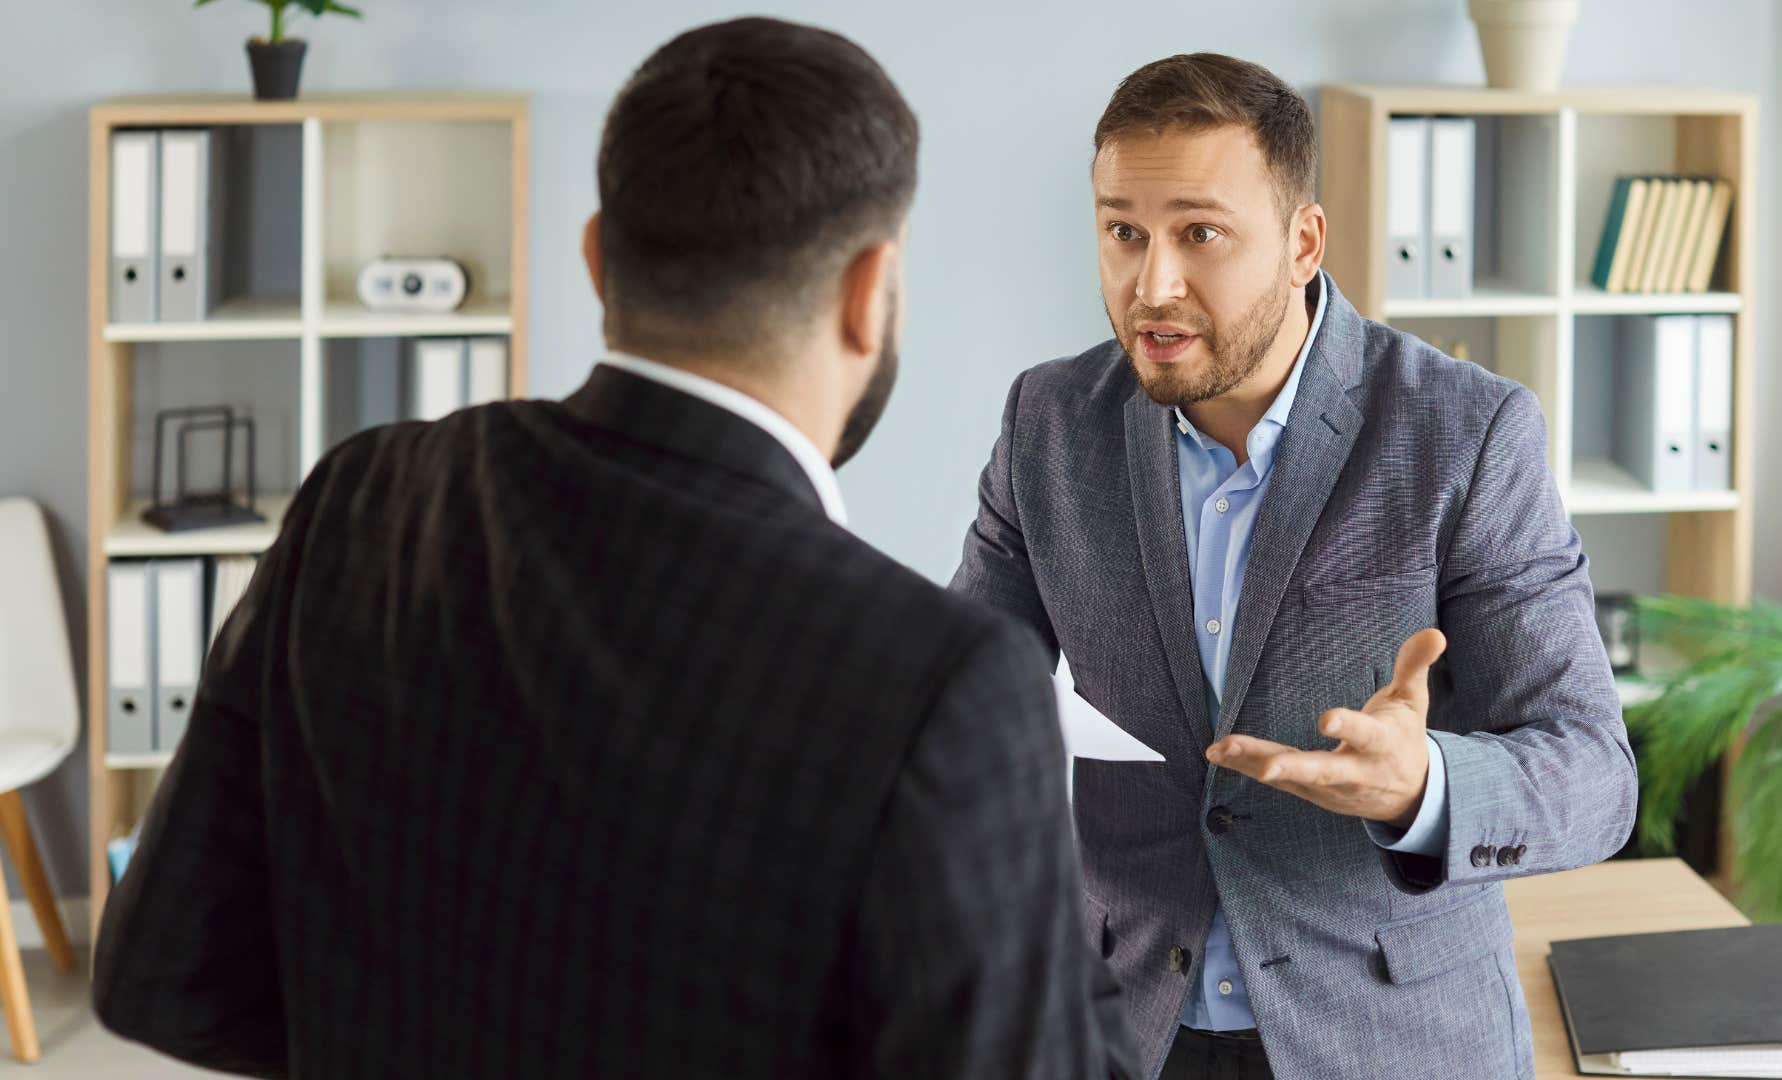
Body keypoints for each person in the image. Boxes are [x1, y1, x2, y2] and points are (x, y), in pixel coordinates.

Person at [93, 18, 1135, 1079]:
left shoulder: (357, 499)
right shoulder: (945, 687)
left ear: (596, 260)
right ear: (871, 293)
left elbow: (161, 977)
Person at [951, 53, 1638, 1080]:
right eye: (1122, 232)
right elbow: (964, 697)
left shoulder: (1466, 433)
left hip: (1386, 1040)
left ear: (1302, 242)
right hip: (1126, 1028)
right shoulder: (1048, 425)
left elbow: (1594, 777)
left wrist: (1424, 786)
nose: (1153, 284)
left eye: (1201, 233)